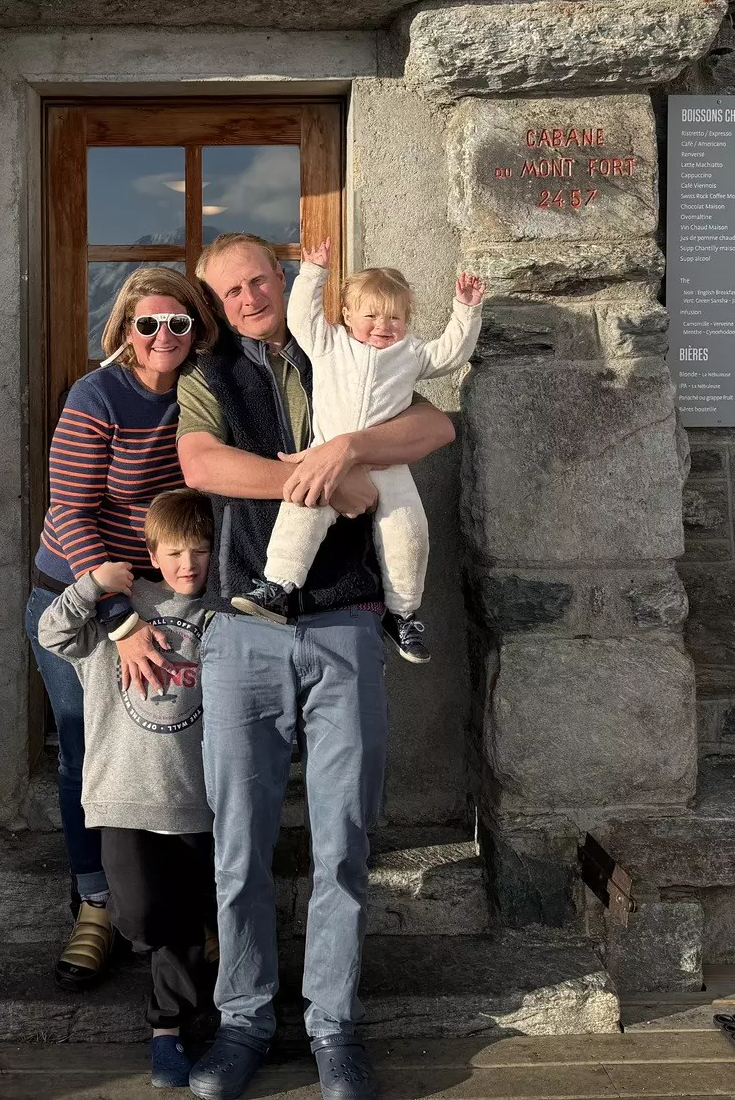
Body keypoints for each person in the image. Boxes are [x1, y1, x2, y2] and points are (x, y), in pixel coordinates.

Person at [176, 234, 457, 1100]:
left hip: (344, 621)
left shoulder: (347, 341)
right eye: (231, 290)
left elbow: (435, 424)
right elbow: (202, 465)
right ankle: (244, 1022)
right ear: (217, 303)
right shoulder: (208, 374)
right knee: (239, 844)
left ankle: (334, 1026)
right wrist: (323, 478)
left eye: (260, 278)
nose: (250, 296)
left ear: (284, 279)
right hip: (240, 631)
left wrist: (350, 450)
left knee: (341, 841)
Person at [29, 267, 217, 992]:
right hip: (84, 597)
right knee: (88, 751)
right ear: (125, 332)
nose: (163, 336)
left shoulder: (204, 392)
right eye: (148, 324)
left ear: (197, 329)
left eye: (178, 323)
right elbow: (72, 512)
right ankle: (96, 905)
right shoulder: (97, 394)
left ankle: (189, 906)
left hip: (173, 595)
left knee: (182, 747)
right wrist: (120, 621)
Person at [36, 488, 220, 1090]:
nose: (187, 564)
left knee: (186, 924)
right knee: (142, 917)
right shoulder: (122, 610)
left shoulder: (221, 614)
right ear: (150, 552)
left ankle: (167, 1029)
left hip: (195, 800)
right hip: (123, 795)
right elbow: (52, 634)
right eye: (173, 551)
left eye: (200, 550)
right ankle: (147, 936)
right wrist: (92, 584)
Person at [230, 242, 484, 666]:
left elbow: (452, 353)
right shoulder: (329, 344)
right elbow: (301, 317)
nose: (382, 326)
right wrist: (313, 272)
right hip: (325, 456)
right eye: (370, 316)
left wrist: (466, 309)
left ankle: (403, 613)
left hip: (387, 465)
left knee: (408, 531)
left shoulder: (411, 354)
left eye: (395, 318)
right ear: (347, 315)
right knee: (302, 508)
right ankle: (276, 587)